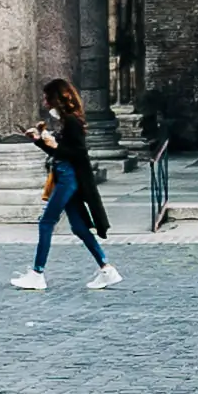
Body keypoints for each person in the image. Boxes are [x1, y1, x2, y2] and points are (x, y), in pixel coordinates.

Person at [22, 75, 119, 290]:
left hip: (68, 177)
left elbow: (76, 153)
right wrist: (40, 141)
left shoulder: (72, 122)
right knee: (79, 227)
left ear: (57, 99)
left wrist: (51, 142)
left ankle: (37, 273)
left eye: (47, 98)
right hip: (66, 174)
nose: (45, 103)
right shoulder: (69, 121)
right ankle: (106, 269)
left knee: (46, 222)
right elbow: (63, 153)